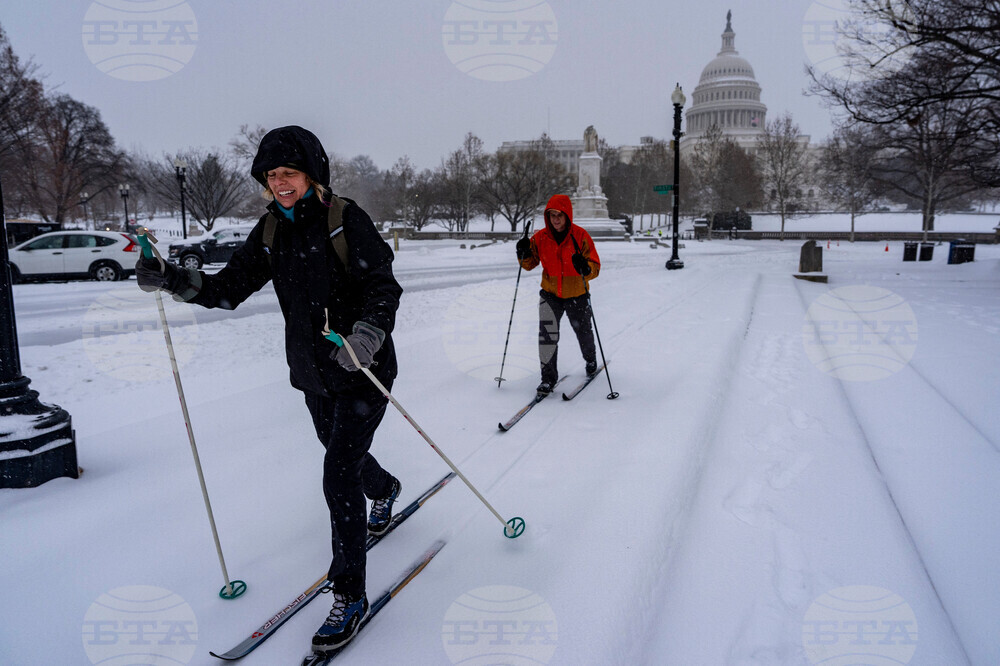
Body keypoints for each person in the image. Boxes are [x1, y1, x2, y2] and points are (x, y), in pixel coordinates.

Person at [135, 126, 402, 653]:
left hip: (362, 369)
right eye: (272, 175)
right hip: (311, 374)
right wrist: (168, 277)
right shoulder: (270, 232)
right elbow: (227, 289)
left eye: (290, 173)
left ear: (312, 175)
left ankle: (349, 593)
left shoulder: (344, 220)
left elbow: (383, 286)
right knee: (339, 454)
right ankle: (387, 488)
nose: (280, 183)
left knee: (337, 474)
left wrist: (366, 336)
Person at [516, 194, 601, 396]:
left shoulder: (580, 236)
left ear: (567, 216)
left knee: (584, 333)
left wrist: (585, 268)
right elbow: (529, 265)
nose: (555, 219)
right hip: (550, 294)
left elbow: (595, 267)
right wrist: (523, 253)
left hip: (577, 294)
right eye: (552, 215)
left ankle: (590, 359)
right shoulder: (541, 238)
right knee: (547, 337)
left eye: (559, 215)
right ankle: (547, 379)